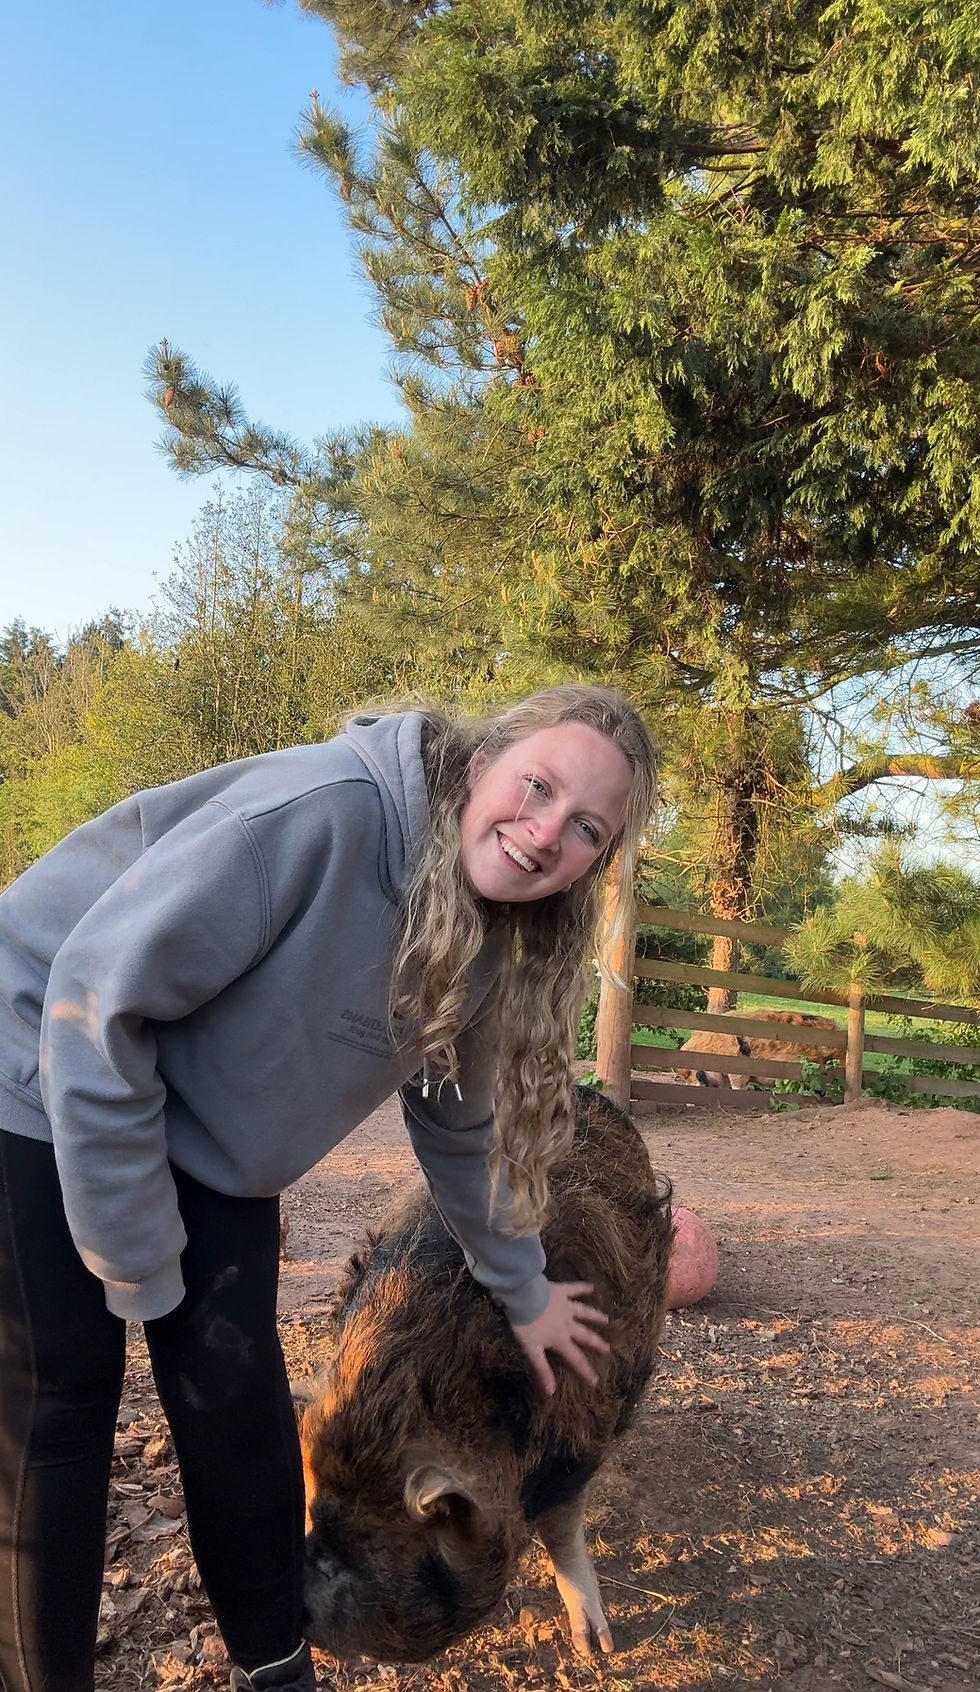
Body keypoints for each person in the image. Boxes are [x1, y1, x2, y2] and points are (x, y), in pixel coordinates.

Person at [0, 684, 656, 1692]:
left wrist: (522, 1290)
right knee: (66, 1393)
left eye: (584, 828)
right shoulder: (323, 817)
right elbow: (96, 1001)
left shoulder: (489, 927)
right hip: (41, 1060)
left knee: (236, 1396)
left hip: (192, 1116)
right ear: (482, 761)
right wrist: (132, 1259)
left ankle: (275, 1664)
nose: (541, 833)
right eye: (536, 786)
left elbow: (455, 1117)